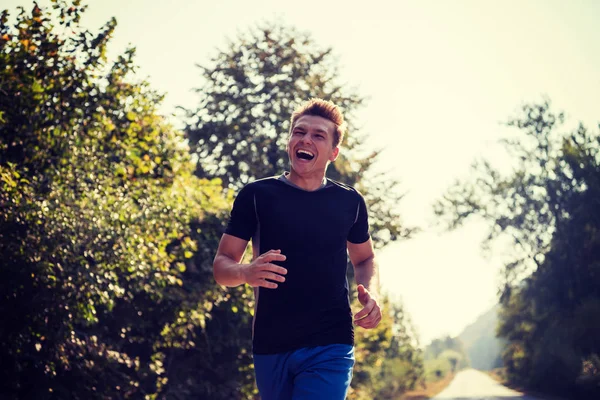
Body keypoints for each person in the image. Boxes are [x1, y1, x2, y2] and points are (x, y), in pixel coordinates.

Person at [213, 98, 381, 400]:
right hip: (270, 343)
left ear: (333, 152)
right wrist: (246, 272)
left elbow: (365, 258)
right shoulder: (256, 196)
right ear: (290, 140)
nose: (305, 139)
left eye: (318, 135)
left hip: (331, 341)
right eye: (299, 132)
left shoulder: (349, 202)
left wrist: (370, 293)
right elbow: (222, 265)